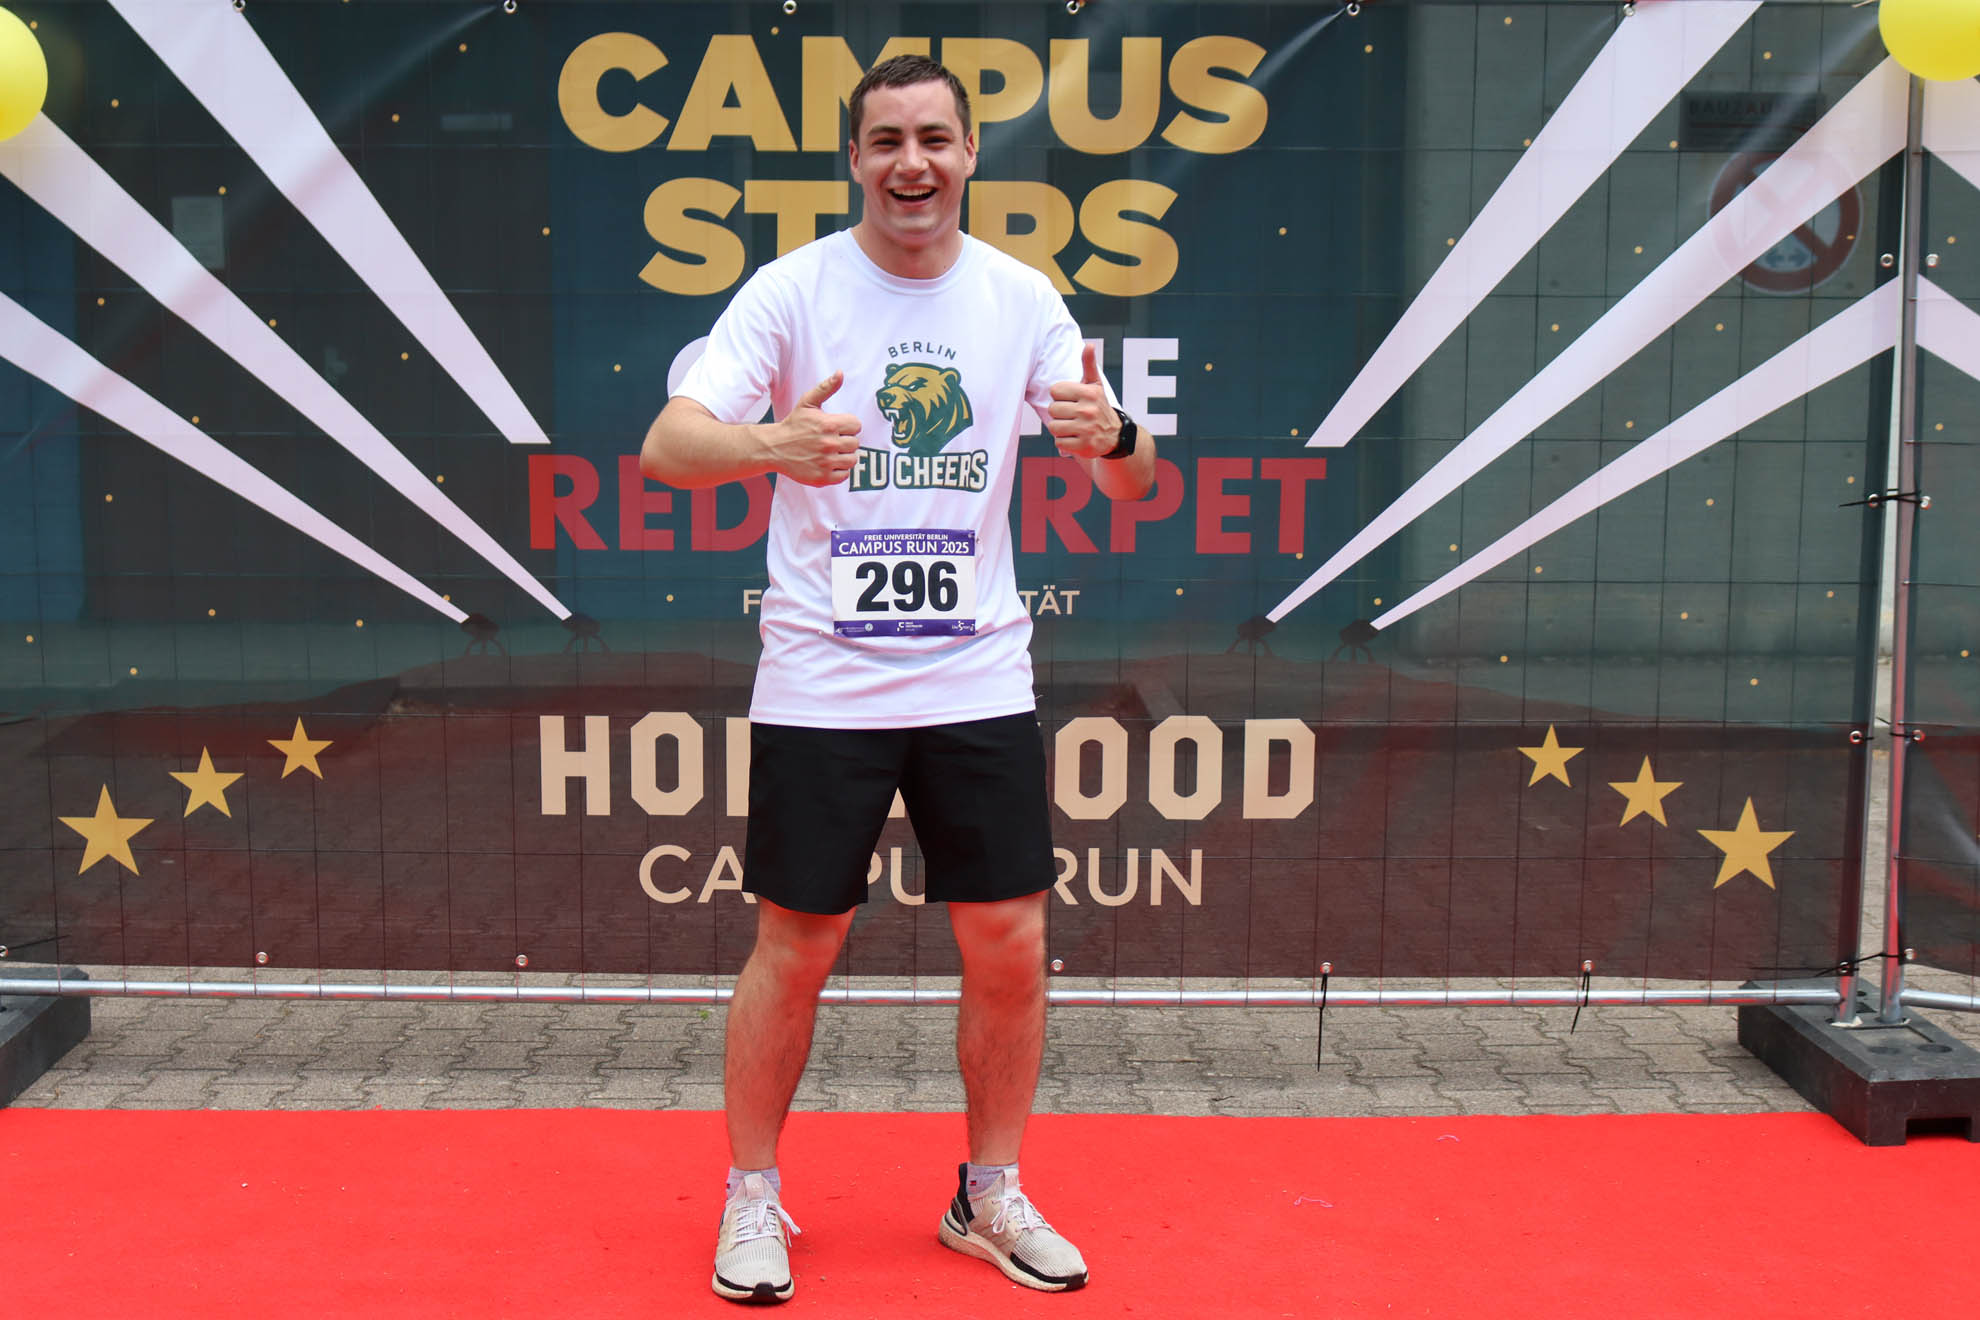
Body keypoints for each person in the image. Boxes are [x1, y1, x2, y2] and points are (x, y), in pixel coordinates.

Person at [641, 53, 1157, 1305]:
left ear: (971, 153)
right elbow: (667, 446)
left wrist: (1119, 437)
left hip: (976, 677)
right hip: (824, 680)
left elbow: (1130, 483)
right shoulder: (792, 290)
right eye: (886, 141)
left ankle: (988, 1195)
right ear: (854, 160)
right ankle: (752, 1196)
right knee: (798, 942)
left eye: (934, 138)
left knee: (1010, 940)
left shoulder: (1020, 297)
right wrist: (770, 442)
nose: (911, 163)